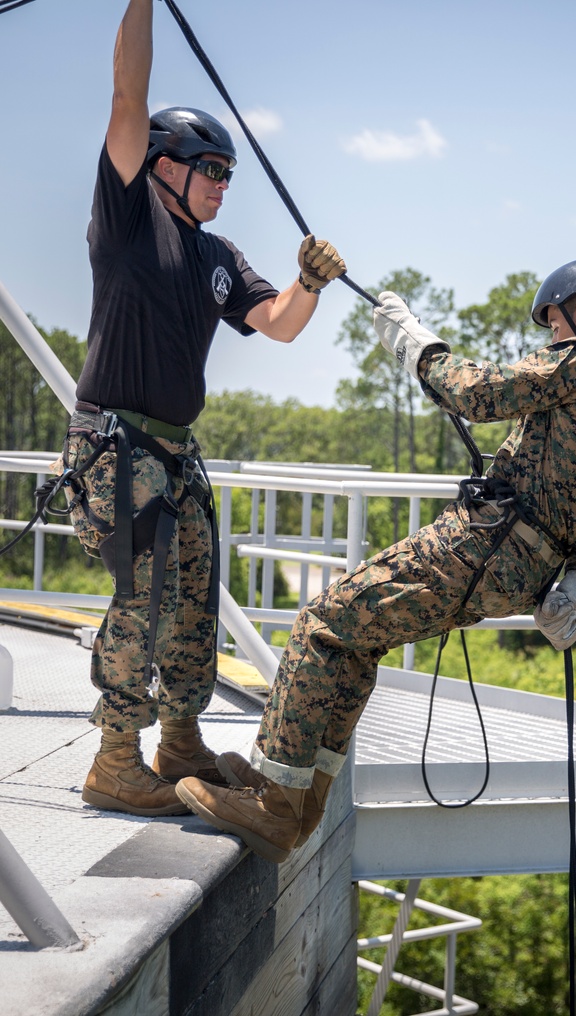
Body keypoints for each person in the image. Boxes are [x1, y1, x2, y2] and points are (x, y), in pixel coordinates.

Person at [176, 257, 576, 862]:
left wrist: (416, 345)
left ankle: (275, 804)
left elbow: (476, 394)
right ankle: (301, 795)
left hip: (487, 545)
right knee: (356, 638)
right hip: (522, 566)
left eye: (555, 325)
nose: (553, 339)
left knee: (322, 623)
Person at [64, 0, 345, 818]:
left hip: (176, 455)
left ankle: (178, 741)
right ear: (164, 164)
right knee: (141, 599)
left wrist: (313, 282)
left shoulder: (219, 256)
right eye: (211, 169)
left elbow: (281, 324)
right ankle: (116, 760)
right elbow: (127, 96)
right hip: (117, 444)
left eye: (230, 173)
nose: (224, 185)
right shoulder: (127, 216)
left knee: (193, 602)